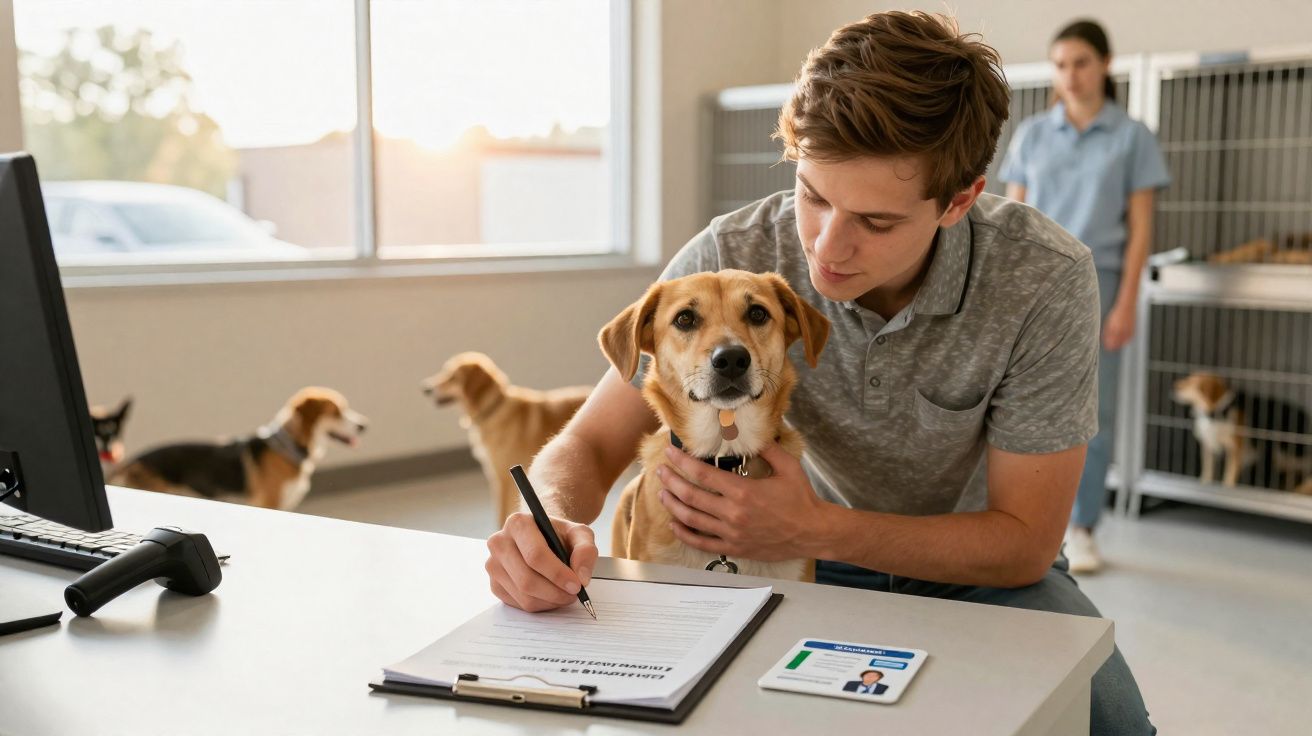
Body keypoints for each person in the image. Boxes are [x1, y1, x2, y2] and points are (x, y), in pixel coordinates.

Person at [484, 11, 1154, 735]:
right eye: (814, 196)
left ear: (959, 200)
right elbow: (588, 446)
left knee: (1108, 723)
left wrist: (817, 530)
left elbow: (1023, 542)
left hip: (978, 576)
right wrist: (542, 518)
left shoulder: (1042, 278)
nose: (827, 248)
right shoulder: (732, 253)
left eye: (876, 221)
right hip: (787, 560)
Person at [999, 20, 1170, 574]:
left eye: (1081, 63)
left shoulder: (1132, 137)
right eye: (1060, 64)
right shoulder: (1031, 135)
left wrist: (1125, 303)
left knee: (1092, 413)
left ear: (1105, 65)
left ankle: (1083, 526)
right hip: (1028, 285)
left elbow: (1141, 229)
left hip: (1100, 286)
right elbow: (1009, 219)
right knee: (1012, 405)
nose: (1070, 76)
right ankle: (1013, 519)